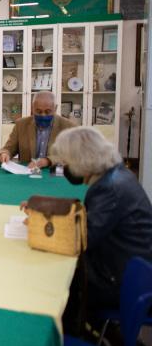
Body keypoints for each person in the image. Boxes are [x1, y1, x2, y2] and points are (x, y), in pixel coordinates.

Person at [50, 127, 152, 334]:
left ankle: (73, 335)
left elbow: (80, 239)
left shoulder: (108, 188)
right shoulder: (118, 174)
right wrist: (46, 207)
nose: (65, 168)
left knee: (56, 282)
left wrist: (44, 226)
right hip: (133, 268)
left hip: (120, 280)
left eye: (67, 162)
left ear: (82, 160)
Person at [0, 91, 76, 168]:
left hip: (54, 175)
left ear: (55, 108)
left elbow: (73, 155)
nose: (43, 115)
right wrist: (4, 154)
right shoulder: (21, 124)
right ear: (32, 108)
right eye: (38, 111)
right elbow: (8, 148)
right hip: (27, 175)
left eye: (48, 112)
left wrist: (48, 161)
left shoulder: (69, 127)